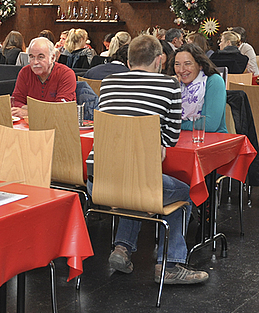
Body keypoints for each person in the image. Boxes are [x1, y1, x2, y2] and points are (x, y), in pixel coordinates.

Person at [87, 35, 208, 284]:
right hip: (136, 182)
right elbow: (172, 138)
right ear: (159, 60)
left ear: (129, 61)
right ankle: (171, 265)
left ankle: (122, 248)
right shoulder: (169, 86)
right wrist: (157, 142)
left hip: (97, 182)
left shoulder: (108, 83)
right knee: (183, 192)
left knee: (137, 183)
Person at [11, 37, 77, 119]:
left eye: (40, 57)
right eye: (31, 57)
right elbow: (16, 101)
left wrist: (30, 111)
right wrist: (43, 110)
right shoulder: (25, 72)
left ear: (52, 58)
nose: (35, 62)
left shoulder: (66, 74)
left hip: (59, 126)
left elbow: (60, 109)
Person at [173, 43, 227, 133]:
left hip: (212, 140)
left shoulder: (213, 81)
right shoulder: (176, 83)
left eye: (187, 64)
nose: (181, 70)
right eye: (177, 64)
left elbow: (210, 125)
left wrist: (177, 124)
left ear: (200, 65)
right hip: (180, 139)